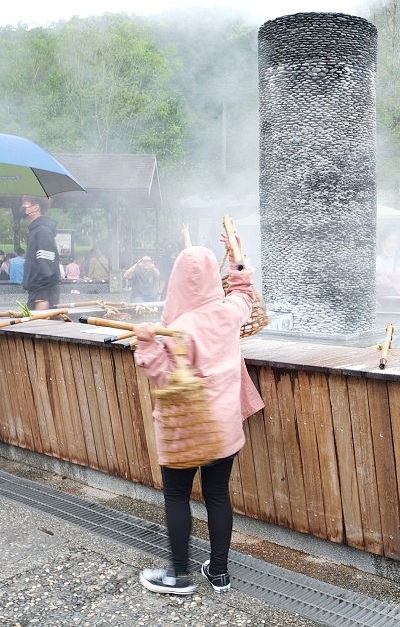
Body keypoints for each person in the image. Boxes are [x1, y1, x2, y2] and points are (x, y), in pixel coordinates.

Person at [133, 234, 263, 595]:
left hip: (185, 428)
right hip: (223, 426)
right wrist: (237, 254)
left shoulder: (176, 329)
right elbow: (243, 290)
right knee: (218, 494)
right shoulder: (229, 311)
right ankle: (219, 573)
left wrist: (145, 343)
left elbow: (161, 374)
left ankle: (178, 575)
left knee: (177, 496)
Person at [20, 196, 60, 310]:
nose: (22, 208)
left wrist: (42, 299)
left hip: (42, 295)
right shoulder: (36, 229)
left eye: (25, 205)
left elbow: (46, 268)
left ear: (35, 207)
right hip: (36, 292)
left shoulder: (42, 230)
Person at [375, 228, 400, 297]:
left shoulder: (399, 259)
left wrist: (384, 272)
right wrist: (379, 284)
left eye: (396, 242)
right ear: (382, 242)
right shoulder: (376, 260)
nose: (394, 245)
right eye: (390, 241)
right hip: (380, 298)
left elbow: (398, 277)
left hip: (397, 298)